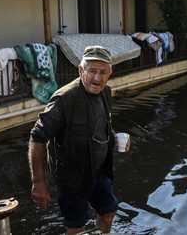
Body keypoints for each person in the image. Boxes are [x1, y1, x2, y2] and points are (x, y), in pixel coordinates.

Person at [29, 45, 118, 234]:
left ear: (110, 73)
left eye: (103, 72)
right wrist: (39, 182)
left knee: (108, 212)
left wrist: (115, 139)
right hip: (73, 177)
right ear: (80, 70)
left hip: (100, 170)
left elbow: (102, 126)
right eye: (92, 71)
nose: (97, 78)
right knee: (76, 226)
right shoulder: (64, 99)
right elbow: (37, 137)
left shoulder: (106, 92)